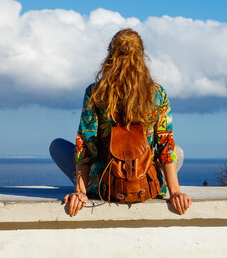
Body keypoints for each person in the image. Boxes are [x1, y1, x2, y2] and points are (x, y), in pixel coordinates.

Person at [49, 28, 191, 217]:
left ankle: (87, 183)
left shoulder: (96, 92)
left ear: (110, 55)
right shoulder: (157, 94)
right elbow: (166, 145)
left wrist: (80, 191)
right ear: (141, 57)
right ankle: (158, 182)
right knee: (178, 152)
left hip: (103, 184)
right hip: (145, 183)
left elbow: (86, 144)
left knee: (56, 146)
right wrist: (175, 192)